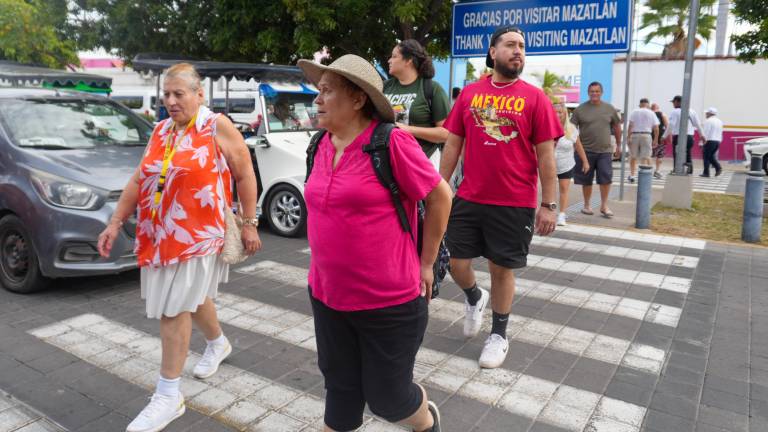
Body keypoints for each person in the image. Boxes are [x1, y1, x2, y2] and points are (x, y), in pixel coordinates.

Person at [97, 63, 261, 432]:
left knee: (174, 308)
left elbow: (244, 171)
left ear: (199, 95)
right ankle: (218, 343)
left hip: (199, 233)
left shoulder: (214, 125)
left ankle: (169, 396)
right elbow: (141, 178)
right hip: (160, 233)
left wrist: (250, 223)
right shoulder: (160, 130)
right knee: (191, 297)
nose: (170, 101)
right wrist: (115, 221)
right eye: (166, 95)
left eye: (178, 94)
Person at [297, 54, 452, 432]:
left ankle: (426, 420)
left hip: (389, 300)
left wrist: (426, 263)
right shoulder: (319, 145)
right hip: (327, 296)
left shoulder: (390, 142)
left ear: (357, 99)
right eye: (318, 91)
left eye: (327, 91)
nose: (317, 100)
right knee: (341, 392)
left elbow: (440, 196)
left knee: (388, 398)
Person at [439, 26, 562, 368]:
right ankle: (474, 297)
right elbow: (453, 143)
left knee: (501, 269)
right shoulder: (469, 94)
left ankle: (498, 335)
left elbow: (546, 157)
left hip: (514, 201)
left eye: (522, 46)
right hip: (469, 196)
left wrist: (549, 205)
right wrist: (440, 186)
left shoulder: (535, 98)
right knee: (456, 263)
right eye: (510, 44)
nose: (518, 50)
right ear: (493, 52)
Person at [384, 39, 450, 164]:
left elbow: (446, 133)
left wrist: (407, 129)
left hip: (423, 161)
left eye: (394, 56)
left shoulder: (432, 89)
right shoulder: (384, 87)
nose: (389, 60)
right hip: (389, 160)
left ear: (408, 61)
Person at [570, 82, 622, 218]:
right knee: (586, 180)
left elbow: (617, 127)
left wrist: (619, 144)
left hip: (605, 150)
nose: (594, 93)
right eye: (592, 91)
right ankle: (587, 205)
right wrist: (572, 145)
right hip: (585, 151)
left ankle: (604, 205)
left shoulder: (609, 108)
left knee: (606, 178)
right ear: (588, 92)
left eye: (597, 91)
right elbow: (571, 128)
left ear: (601, 92)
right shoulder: (580, 110)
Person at [553, 102, 588, 226]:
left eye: (560, 112)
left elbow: (578, 146)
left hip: (565, 163)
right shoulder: (547, 125)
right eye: (555, 112)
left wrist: (585, 161)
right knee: (550, 190)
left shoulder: (571, 129)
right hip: (550, 164)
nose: (557, 115)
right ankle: (550, 212)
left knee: (564, 189)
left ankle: (561, 215)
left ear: (565, 114)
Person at [663, 95, 703, 174]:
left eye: (674, 102)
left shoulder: (675, 111)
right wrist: (702, 135)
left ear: (678, 102)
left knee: (677, 153)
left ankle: (676, 169)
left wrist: (664, 136)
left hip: (679, 137)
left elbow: (671, 125)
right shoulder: (692, 111)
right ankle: (689, 168)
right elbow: (697, 124)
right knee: (688, 152)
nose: (673, 104)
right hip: (690, 137)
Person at [626, 98, 660, 182]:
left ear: (640, 104)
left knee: (633, 156)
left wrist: (628, 137)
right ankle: (643, 176)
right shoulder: (651, 113)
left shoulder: (634, 112)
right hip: (646, 135)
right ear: (647, 104)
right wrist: (656, 139)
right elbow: (656, 128)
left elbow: (630, 125)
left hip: (635, 135)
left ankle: (632, 175)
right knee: (645, 156)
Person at [701, 106, 723, 177]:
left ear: (709, 113)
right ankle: (717, 168)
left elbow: (706, 132)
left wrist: (701, 143)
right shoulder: (720, 121)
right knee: (711, 157)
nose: (705, 114)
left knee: (706, 157)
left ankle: (707, 172)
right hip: (717, 141)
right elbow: (721, 132)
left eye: (706, 113)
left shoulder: (708, 121)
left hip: (709, 141)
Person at [651, 103, 669, 179]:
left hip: (649, 136)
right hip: (660, 137)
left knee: (648, 155)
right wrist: (668, 137)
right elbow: (667, 126)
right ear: (658, 107)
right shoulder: (662, 114)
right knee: (660, 155)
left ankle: (647, 170)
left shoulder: (649, 114)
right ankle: (657, 171)